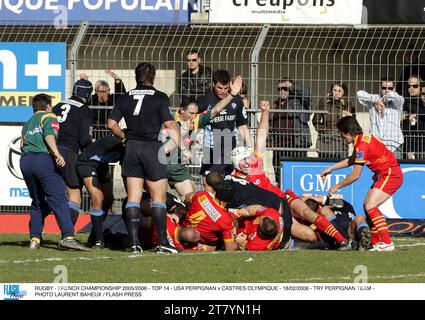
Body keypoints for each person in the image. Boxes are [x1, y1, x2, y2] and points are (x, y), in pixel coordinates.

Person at [230, 101, 350, 250]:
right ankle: (329, 241)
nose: (248, 163)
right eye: (243, 161)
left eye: (248, 158)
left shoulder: (255, 165)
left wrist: (265, 112)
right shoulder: (233, 181)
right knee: (309, 236)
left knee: (306, 212)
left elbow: (261, 137)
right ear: (235, 164)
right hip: (270, 215)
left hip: (282, 200)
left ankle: (342, 240)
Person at [107, 62, 190, 254]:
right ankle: (162, 243)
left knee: (134, 198)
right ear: (153, 77)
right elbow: (170, 124)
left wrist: (124, 137)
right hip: (152, 148)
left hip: (132, 148)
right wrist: (183, 148)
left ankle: (134, 243)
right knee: (158, 198)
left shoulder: (125, 97)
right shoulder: (160, 97)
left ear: (136, 77)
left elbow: (111, 123)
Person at [320, 116, 404, 252]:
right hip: (385, 175)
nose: (342, 138)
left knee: (370, 205)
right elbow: (351, 160)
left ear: (347, 133)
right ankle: (376, 242)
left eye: (342, 134)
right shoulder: (362, 139)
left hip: (390, 174)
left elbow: (355, 175)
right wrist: (331, 168)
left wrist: (336, 186)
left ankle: (387, 242)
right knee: (368, 206)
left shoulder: (361, 146)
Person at [20, 93, 89, 251]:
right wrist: (57, 154)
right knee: (58, 198)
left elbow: (22, 144)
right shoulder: (49, 116)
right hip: (42, 160)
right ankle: (68, 237)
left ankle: (35, 239)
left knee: (37, 202)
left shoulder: (28, 123)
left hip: (25, 161)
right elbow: (49, 135)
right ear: (48, 106)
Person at [162, 76, 244, 199]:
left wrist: (231, 95)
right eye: (191, 113)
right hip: (159, 164)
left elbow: (215, 110)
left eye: (196, 113)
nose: (194, 117)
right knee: (158, 199)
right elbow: (165, 149)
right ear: (181, 111)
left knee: (192, 199)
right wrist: (184, 132)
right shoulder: (168, 120)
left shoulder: (194, 120)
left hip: (177, 168)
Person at [53, 79, 94, 227]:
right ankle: (68, 234)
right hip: (69, 152)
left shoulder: (57, 106)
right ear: (88, 94)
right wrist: (92, 144)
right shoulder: (84, 110)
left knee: (50, 192)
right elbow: (84, 139)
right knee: (74, 191)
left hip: (51, 151)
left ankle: (36, 235)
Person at [197, 69, 252, 177]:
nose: (223, 91)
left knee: (227, 182)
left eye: (226, 88)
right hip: (212, 148)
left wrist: (249, 145)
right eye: (220, 88)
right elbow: (195, 122)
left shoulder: (236, 99)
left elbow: (242, 125)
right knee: (210, 180)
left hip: (229, 147)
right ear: (213, 84)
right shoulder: (205, 100)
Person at [76, 133, 125, 249]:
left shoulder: (132, 144)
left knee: (109, 199)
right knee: (98, 199)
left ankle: (93, 236)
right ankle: (98, 241)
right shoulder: (119, 139)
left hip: (102, 166)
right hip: (87, 163)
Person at [268, 78, 312, 184]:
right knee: (280, 177)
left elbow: (307, 96)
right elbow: (270, 124)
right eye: (280, 89)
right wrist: (269, 139)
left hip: (296, 144)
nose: (282, 91)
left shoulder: (298, 102)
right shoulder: (275, 105)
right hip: (278, 146)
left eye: (285, 88)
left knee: (298, 176)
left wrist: (292, 86)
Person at [183, 173, 237, 251]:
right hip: (204, 244)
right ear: (231, 198)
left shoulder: (202, 195)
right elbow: (230, 249)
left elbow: (187, 197)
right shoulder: (226, 219)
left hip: (185, 231)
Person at [357, 77, 404, 159]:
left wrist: (384, 99)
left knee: (394, 170)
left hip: (394, 145)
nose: (386, 90)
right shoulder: (374, 99)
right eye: (384, 88)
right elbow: (359, 94)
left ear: (394, 88)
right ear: (380, 88)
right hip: (376, 145)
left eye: (390, 88)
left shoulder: (398, 101)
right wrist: (376, 101)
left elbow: (394, 96)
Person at [303, 197, 371, 251]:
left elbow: (336, 201)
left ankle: (365, 243)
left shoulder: (345, 206)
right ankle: (346, 242)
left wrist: (315, 198)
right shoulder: (321, 213)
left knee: (360, 217)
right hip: (333, 235)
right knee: (325, 210)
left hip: (350, 230)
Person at [314, 81, 353, 158]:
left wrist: (349, 118)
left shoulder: (348, 103)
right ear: (331, 90)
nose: (337, 93)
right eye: (335, 90)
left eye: (339, 91)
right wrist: (322, 130)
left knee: (341, 166)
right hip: (326, 140)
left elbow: (353, 123)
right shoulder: (324, 101)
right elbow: (315, 120)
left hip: (341, 140)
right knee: (325, 165)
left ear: (344, 92)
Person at [88, 70, 127, 138]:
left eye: (105, 91)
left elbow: (121, 92)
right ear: (96, 91)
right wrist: (84, 81)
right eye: (100, 91)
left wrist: (116, 78)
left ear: (109, 91)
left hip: (110, 131)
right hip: (94, 132)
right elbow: (82, 96)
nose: (103, 94)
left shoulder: (112, 99)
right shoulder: (91, 100)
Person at [402, 75, 424, 159]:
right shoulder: (404, 101)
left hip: (421, 140)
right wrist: (407, 117)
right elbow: (397, 116)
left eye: (415, 86)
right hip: (408, 140)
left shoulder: (422, 101)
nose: (411, 88)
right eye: (409, 86)